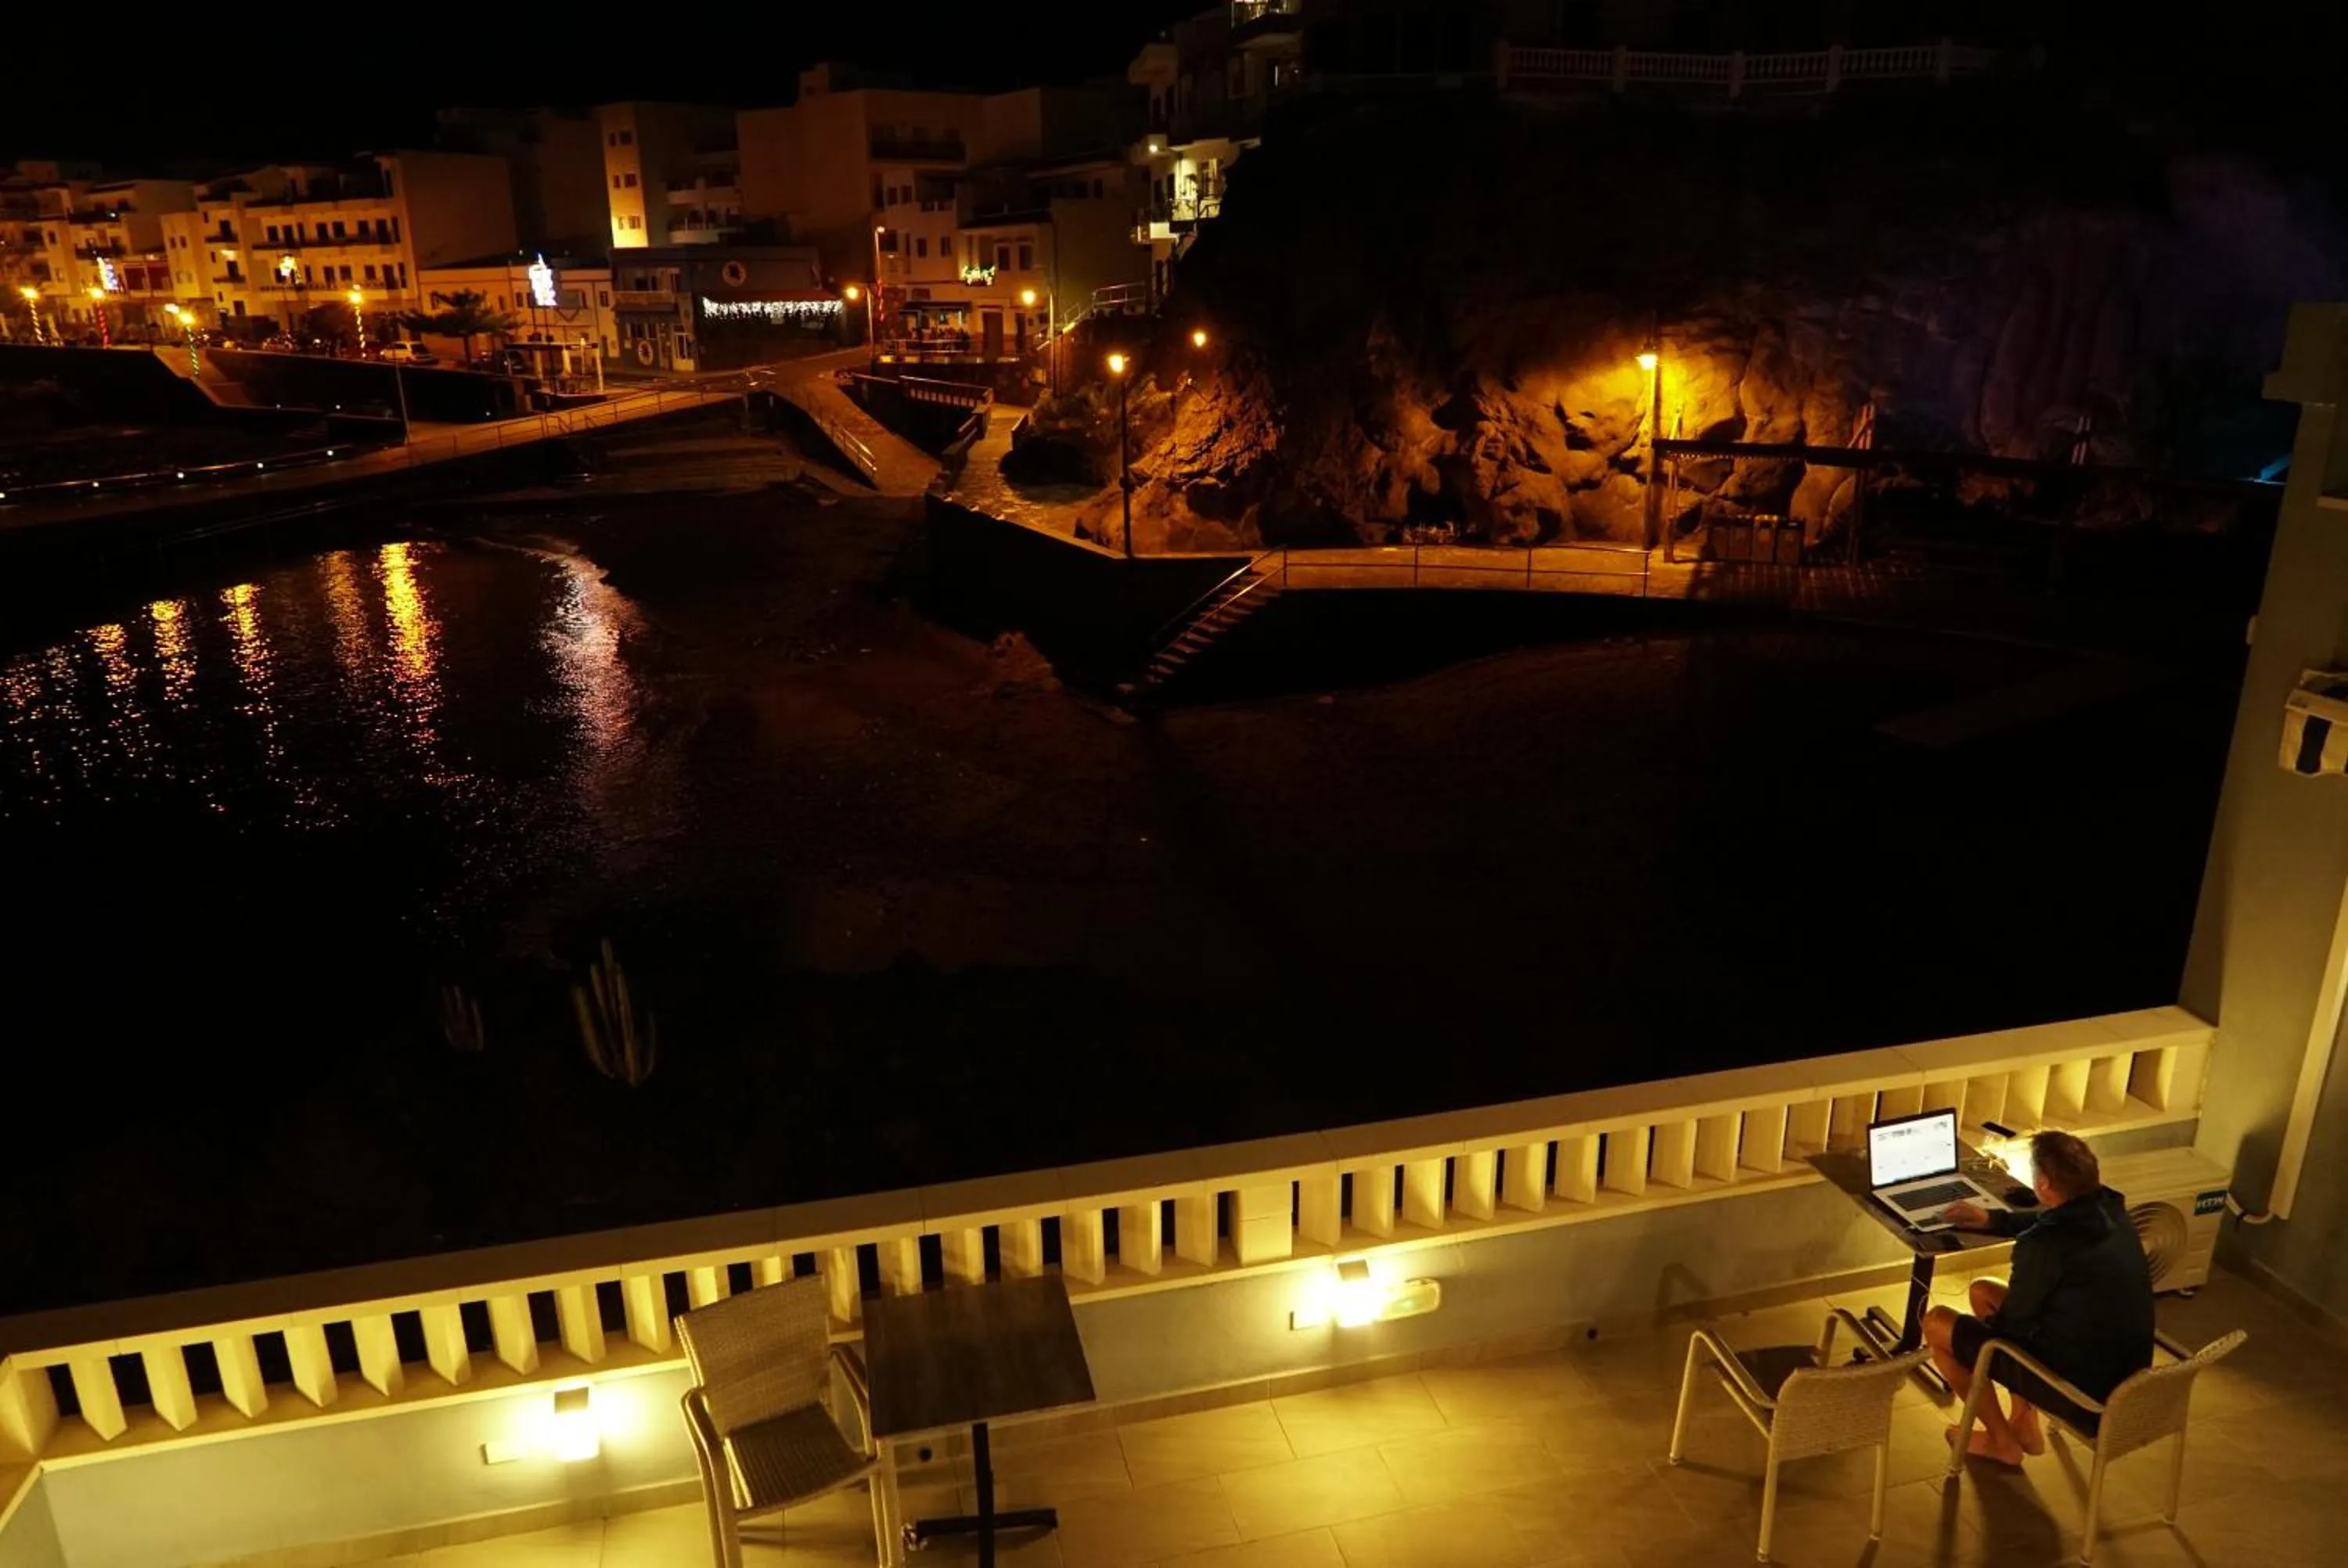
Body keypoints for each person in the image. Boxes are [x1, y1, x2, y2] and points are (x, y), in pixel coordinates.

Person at [1922, 1129, 2154, 1466]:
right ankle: (2024, 1422)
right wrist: (1991, 1219)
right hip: (2126, 1383)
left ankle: (2002, 1442)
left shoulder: (2044, 1246)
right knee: (1983, 1291)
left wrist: (1975, 1334)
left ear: (2043, 1184)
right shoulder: (2111, 1210)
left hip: (2084, 1399)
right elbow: (2054, 1223)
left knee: (1937, 1323)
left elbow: (2011, 1331)